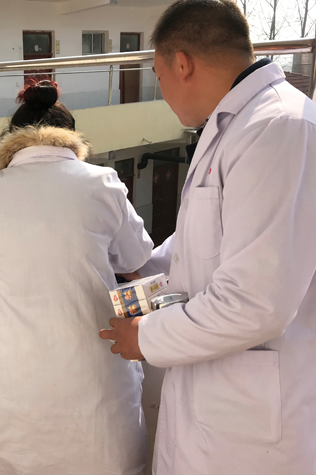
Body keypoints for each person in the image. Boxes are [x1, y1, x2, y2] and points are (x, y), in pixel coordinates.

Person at [99, 2, 316, 474]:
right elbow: (200, 241)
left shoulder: (279, 128)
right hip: (214, 400)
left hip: (252, 423)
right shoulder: (233, 126)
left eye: (158, 76)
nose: (162, 92)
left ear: (182, 64)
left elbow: (256, 303)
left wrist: (145, 337)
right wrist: (141, 271)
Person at [0, 80, 154, 475]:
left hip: (16, 367)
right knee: (99, 458)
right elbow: (136, 256)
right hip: (92, 361)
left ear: (12, 138)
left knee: (19, 460)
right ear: (70, 136)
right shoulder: (101, 182)